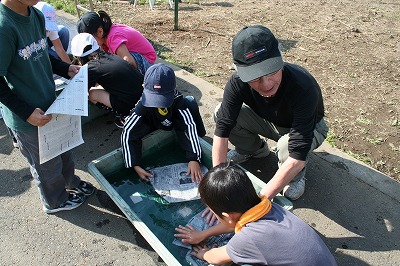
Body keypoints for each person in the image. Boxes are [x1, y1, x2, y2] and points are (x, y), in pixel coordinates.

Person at [212, 25, 329, 202]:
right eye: (254, 77)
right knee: (220, 112)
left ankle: (296, 178)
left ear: (280, 58)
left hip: (308, 128)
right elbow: (222, 129)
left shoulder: (303, 87)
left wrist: (260, 201)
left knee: (287, 147)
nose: (266, 84)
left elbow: (296, 154)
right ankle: (252, 150)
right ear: (239, 71)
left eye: (271, 71)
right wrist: (218, 183)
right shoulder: (237, 83)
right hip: (271, 120)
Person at [0, 0, 95, 214]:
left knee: (63, 149)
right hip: (27, 116)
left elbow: (41, 54)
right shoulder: (4, 28)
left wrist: (65, 68)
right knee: (45, 164)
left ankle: (70, 182)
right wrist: (26, 113)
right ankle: (54, 201)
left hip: (50, 104)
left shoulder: (36, 14)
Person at [175, 162, 337, 265]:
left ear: (226, 216)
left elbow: (216, 257)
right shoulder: (268, 208)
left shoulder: (249, 239)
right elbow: (235, 224)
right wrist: (203, 234)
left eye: (216, 215)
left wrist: (204, 254)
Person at [121, 63, 206, 183]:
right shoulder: (142, 103)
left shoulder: (177, 99)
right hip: (154, 125)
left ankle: (201, 139)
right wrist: (135, 165)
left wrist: (194, 158)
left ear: (173, 90)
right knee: (135, 128)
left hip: (172, 122)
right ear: (144, 87)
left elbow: (188, 126)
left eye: (163, 99)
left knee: (190, 102)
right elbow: (128, 131)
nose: (158, 103)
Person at [70, 33, 144, 127]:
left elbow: (80, 91)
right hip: (143, 97)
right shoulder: (107, 55)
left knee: (92, 93)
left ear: (79, 58)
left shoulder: (91, 68)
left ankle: (125, 115)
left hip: (131, 105)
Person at [76, 10, 156, 75]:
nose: (89, 44)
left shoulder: (113, 37)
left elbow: (128, 61)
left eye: (90, 40)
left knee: (118, 65)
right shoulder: (104, 35)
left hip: (145, 61)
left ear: (100, 31)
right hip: (136, 56)